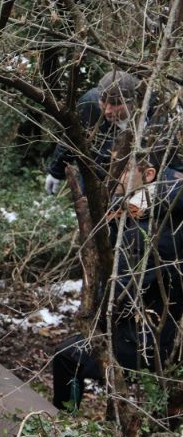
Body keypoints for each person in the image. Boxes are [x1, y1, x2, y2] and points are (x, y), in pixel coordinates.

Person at [52, 147, 183, 410]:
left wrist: (97, 316)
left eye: (123, 171)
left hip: (144, 344)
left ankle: (64, 425)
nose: (115, 176)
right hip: (144, 335)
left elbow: (123, 291)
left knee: (65, 357)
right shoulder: (150, 214)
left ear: (148, 175)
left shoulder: (150, 230)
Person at [45, 70, 144, 195]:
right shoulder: (89, 104)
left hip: (135, 175)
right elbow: (71, 138)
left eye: (115, 104)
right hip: (96, 172)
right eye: (103, 101)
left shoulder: (149, 108)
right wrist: (56, 172)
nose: (107, 110)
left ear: (132, 102)